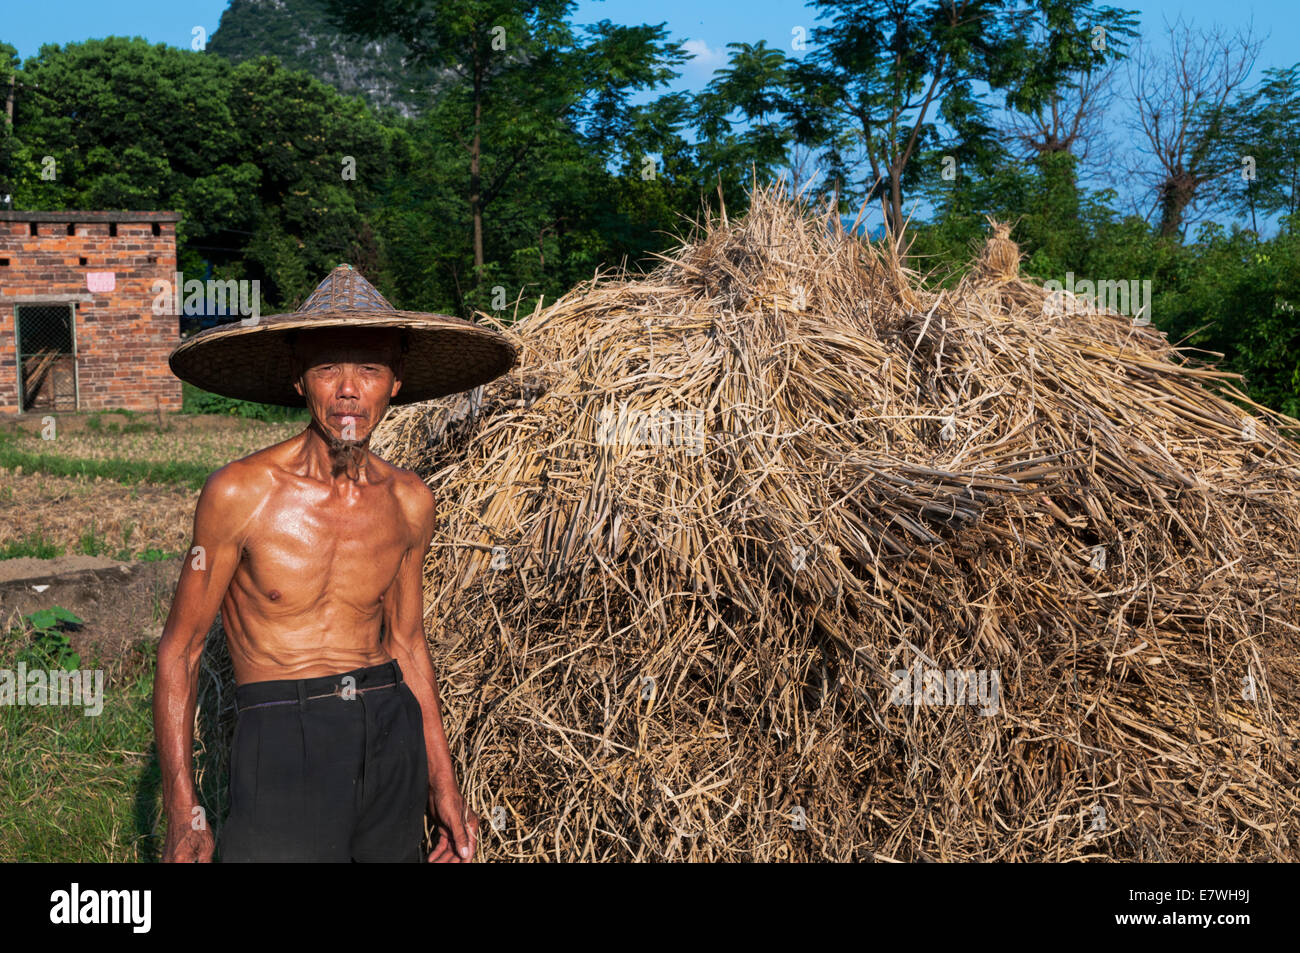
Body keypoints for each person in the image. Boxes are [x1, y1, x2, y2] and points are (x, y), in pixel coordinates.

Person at [156, 264, 517, 862]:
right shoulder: (240, 493)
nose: (349, 389)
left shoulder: (409, 501)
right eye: (328, 368)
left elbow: (407, 644)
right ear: (301, 380)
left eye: (370, 368)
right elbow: (182, 648)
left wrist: (443, 785)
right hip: (281, 731)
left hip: (388, 730)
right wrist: (181, 807)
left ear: (395, 381)